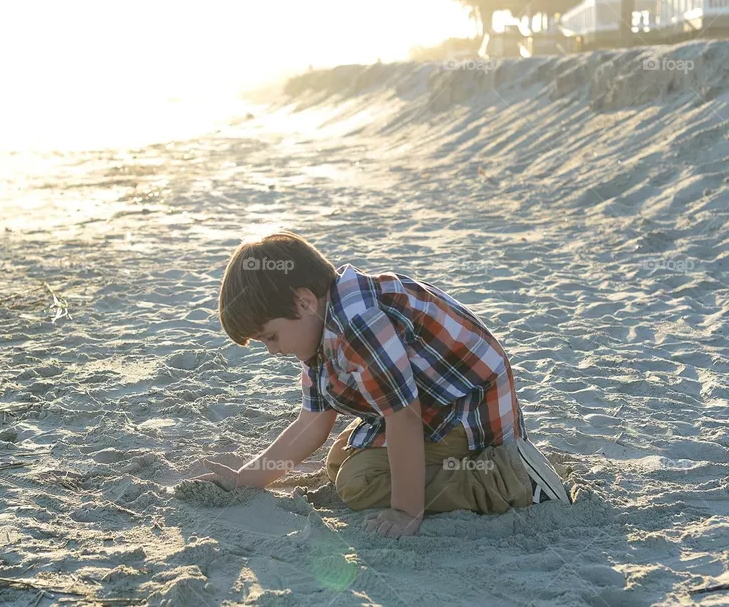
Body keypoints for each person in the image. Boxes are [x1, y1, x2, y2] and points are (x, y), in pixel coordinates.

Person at [194, 230, 571, 539]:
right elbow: (312, 425)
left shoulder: (358, 322)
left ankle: (509, 479)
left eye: (271, 337)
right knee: (342, 459)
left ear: (303, 303)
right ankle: (485, 471)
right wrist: (245, 479)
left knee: (359, 481)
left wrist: (406, 511)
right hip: (433, 407)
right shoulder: (322, 329)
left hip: (469, 415)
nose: (273, 351)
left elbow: (403, 416)